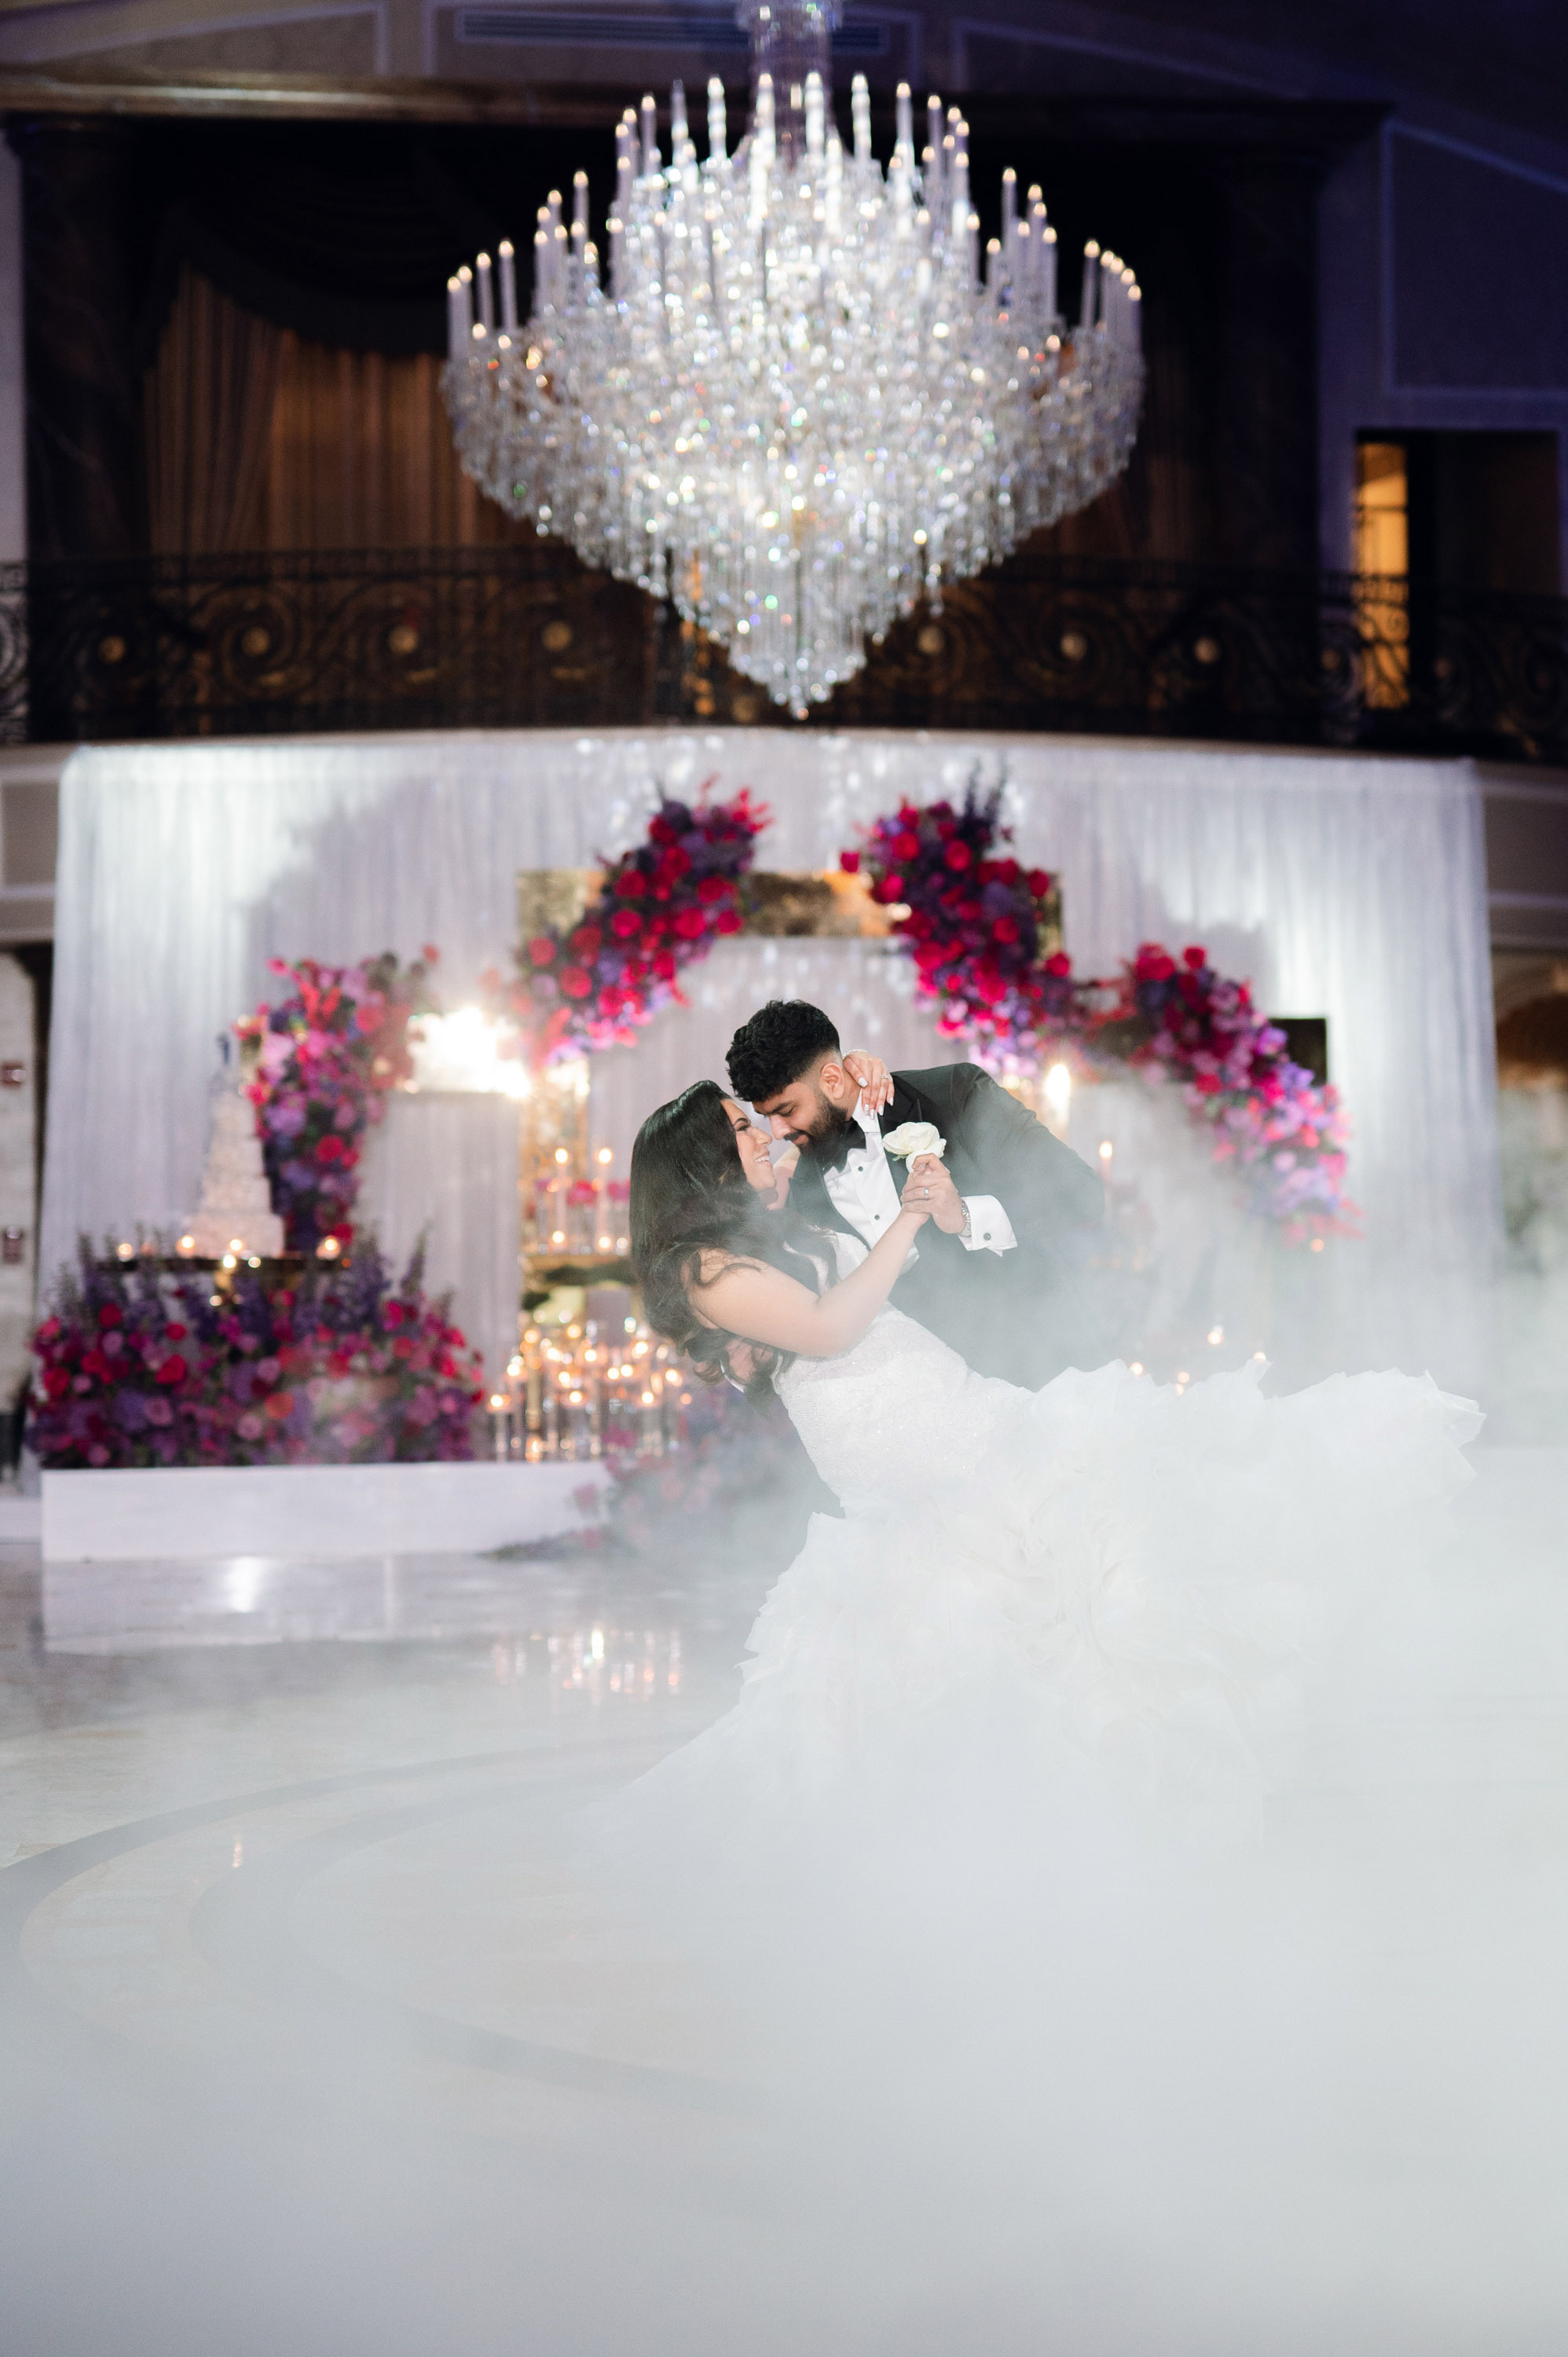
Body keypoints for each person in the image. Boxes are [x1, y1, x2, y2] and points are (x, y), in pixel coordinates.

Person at [726, 998, 1106, 1387]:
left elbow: (1081, 1192)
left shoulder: (953, 1095)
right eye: (765, 1116)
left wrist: (965, 1217)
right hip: (936, 1401)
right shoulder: (801, 1187)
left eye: (786, 1110)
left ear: (832, 1080)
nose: (776, 1132)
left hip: (1050, 1362)